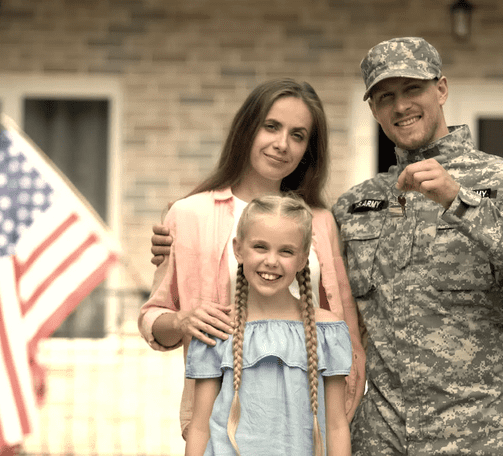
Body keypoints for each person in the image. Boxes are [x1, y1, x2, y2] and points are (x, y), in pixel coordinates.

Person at [332, 37, 503, 455]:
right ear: (373, 110)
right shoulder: (355, 205)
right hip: (382, 441)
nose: (400, 106)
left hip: (486, 438)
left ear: (441, 89)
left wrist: (460, 203)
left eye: (413, 89)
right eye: (385, 96)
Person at [138, 78, 366, 440]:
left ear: (308, 149)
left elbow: (343, 325)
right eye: (271, 126)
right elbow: (152, 317)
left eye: (298, 135)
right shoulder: (188, 215)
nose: (282, 144)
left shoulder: (321, 222)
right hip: (224, 423)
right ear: (247, 129)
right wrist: (183, 321)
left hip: (309, 423)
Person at [184, 194, 352, 456]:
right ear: (238, 249)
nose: (271, 261)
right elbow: (199, 428)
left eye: (286, 251)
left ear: (302, 259)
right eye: (260, 247)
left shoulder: (327, 332)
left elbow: (337, 426)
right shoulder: (218, 329)